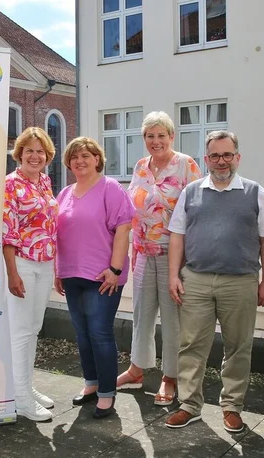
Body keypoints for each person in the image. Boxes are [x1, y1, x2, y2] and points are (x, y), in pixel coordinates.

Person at [165, 131, 264, 432]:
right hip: (196, 280)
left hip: (240, 282)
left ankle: (232, 406)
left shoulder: (255, 193)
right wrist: (173, 275)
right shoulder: (191, 192)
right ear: (206, 159)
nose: (222, 161)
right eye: (215, 156)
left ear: (237, 157)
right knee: (191, 345)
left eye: (228, 155)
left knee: (238, 346)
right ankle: (189, 405)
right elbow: (177, 235)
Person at [116, 111, 202, 405]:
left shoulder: (186, 165)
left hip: (173, 255)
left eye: (160, 135)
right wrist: (130, 251)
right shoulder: (141, 166)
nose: (155, 141)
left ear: (171, 136)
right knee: (141, 314)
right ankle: (137, 368)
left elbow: (198, 212)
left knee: (173, 318)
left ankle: (170, 377)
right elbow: (133, 212)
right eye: (149, 136)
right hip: (142, 252)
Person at [55, 136, 135, 419]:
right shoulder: (64, 194)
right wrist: (58, 270)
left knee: (100, 333)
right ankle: (91, 384)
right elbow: (60, 235)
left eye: (86, 156)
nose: (80, 161)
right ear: (68, 162)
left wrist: (114, 270)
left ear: (97, 159)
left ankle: (106, 393)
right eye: (75, 157)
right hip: (71, 273)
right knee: (82, 334)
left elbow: (124, 230)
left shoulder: (110, 188)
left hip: (103, 275)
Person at [2, 127, 60, 422]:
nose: (35, 156)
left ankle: (25, 385)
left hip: (45, 264)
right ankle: (20, 399)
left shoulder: (45, 182)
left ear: (47, 155)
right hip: (23, 264)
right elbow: (8, 232)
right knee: (21, 332)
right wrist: (12, 273)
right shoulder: (11, 184)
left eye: (40, 151)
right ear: (20, 154)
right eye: (29, 151)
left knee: (34, 328)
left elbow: (50, 226)